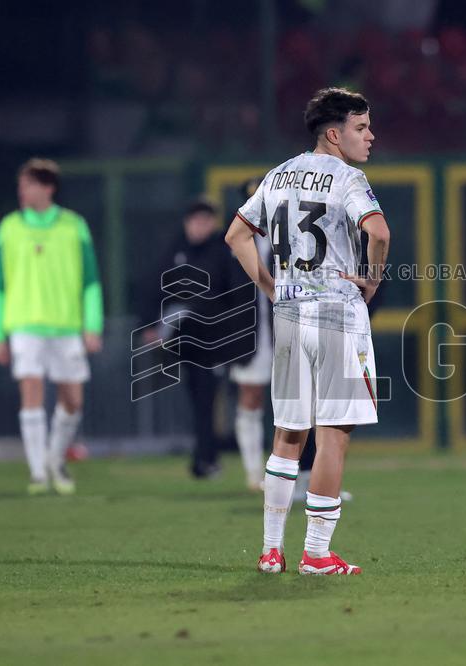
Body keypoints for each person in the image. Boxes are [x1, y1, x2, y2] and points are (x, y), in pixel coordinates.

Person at [225, 87, 390, 575]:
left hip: (291, 315)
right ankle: (316, 553)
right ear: (335, 134)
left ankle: (271, 549)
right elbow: (378, 231)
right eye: (362, 127)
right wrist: (374, 279)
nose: (371, 135)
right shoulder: (347, 176)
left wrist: (270, 287)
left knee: (287, 433)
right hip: (338, 315)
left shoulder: (275, 175)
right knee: (333, 434)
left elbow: (236, 235)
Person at [0, 159, 104, 496]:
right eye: (21, 185)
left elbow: (91, 281)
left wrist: (92, 325)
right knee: (32, 393)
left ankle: (54, 459)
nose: (22, 191)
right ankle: (38, 472)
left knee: (73, 401)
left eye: (28, 184)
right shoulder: (7, 227)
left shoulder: (74, 225)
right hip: (24, 325)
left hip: (67, 326)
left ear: (48, 187)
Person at [139, 199, 249, 479]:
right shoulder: (175, 250)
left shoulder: (223, 251)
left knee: (211, 399)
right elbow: (154, 287)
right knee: (200, 400)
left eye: (205, 220)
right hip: (184, 342)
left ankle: (206, 458)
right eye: (195, 220)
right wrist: (150, 325)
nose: (200, 226)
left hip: (215, 340)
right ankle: (205, 457)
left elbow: (235, 295)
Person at [228, 179, 270, 491]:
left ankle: (291, 472)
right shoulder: (231, 242)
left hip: (285, 328)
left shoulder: (288, 237)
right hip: (248, 333)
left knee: (293, 402)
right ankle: (253, 471)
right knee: (250, 397)